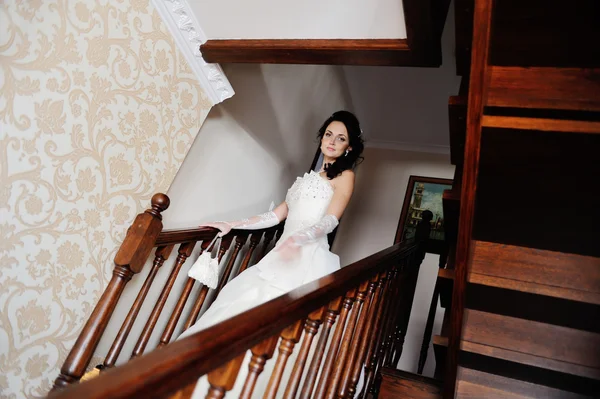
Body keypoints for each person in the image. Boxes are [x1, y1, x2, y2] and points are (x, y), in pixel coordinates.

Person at [177, 110, 365, 398]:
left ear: (348, 147)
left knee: (283, 331)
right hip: (280, 254)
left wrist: (299, 239)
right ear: (321, 137)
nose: (331, 141)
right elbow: (275, 216)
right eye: (328, 134)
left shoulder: (345, 176)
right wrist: (233, 224)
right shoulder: (306, 179)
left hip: (307, 258)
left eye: (340, 138)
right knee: (241, 308)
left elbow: (330, 221)